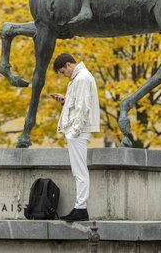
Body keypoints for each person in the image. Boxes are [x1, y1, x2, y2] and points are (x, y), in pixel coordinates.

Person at [51, 53, 101, 222]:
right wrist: (65, 101)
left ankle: (81, 208)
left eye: (62, 72)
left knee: (79, 170)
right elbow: (79, 103)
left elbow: (82, 107)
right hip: (79, 129)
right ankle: (80, 207)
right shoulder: (81, 78)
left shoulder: (81, 79)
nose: (63, 75)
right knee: (78, 169)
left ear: (68, 65)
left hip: (78, 130)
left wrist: (74, 132)